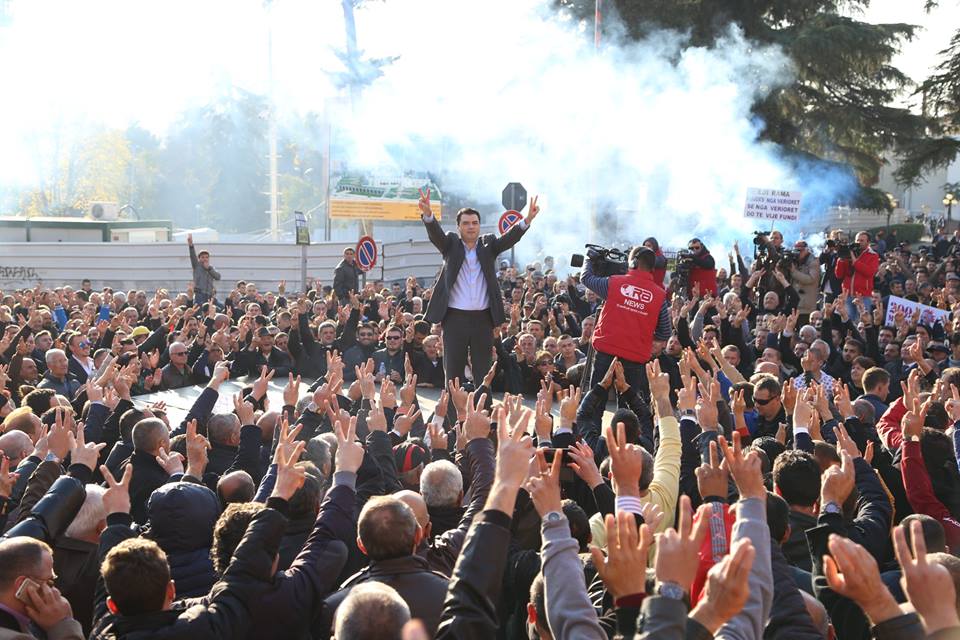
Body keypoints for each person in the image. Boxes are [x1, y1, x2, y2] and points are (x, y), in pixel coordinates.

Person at [418, 187, 540, 385]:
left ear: (479, 226)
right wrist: (428, 215)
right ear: (458, 227)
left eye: (475, 223)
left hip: (483, 319)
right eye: (466, 223)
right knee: (453, 375)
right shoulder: (450, 244)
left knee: (483, 374)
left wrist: (527, 220)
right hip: (454, 318)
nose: (471, 227)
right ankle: (453, 415)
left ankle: (484, 413)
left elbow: (508, 239)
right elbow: (436, 235)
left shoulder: (488, 244)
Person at [581, 245, 670, 400]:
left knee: (594, 402)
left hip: (606, 350)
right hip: (635, 356)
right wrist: (642, 335)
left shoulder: (614, 283)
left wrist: (588, 260)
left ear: (633, 263)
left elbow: (586, 278)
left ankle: (590, 425)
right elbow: (665, 332)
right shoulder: (660, 295)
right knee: (629, 406)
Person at [835, 231, 880, 321]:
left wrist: (855, 261)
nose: (859, 243)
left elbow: (869, 272)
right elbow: (839, 275)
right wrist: (841, 259)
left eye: (862, 241)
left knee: (862, 322)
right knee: (846, 322)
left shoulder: (873, 255)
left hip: (863, 296)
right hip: (847, 295)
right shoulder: (849, 252)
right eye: (857, 240)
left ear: (868, 243)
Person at [187, 233, 221, 306]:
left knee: (220, 307)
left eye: (206, 257)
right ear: (199, 259)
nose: (205, 259)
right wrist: (191, 245)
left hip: (209, 295)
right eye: (202, 257)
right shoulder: (196, 266)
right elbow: (192, 256)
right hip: (199, 295)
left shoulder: (211, 268)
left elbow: (218, 277)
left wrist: (208, 269)